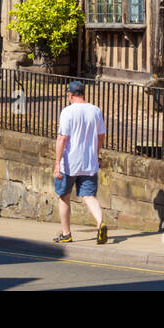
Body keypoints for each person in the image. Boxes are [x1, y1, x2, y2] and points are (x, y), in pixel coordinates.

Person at [53, 80, 107, 244]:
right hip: (89, 162)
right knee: (89, 196)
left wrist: (57, 164)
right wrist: (96, 154)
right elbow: (101, 136)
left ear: (69, 94)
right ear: (83, 93)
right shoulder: (95, 111)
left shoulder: (67, 112)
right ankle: (100, 223)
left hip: (69, 163)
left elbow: (62, 139)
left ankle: (66, 233)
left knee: (64, 196)